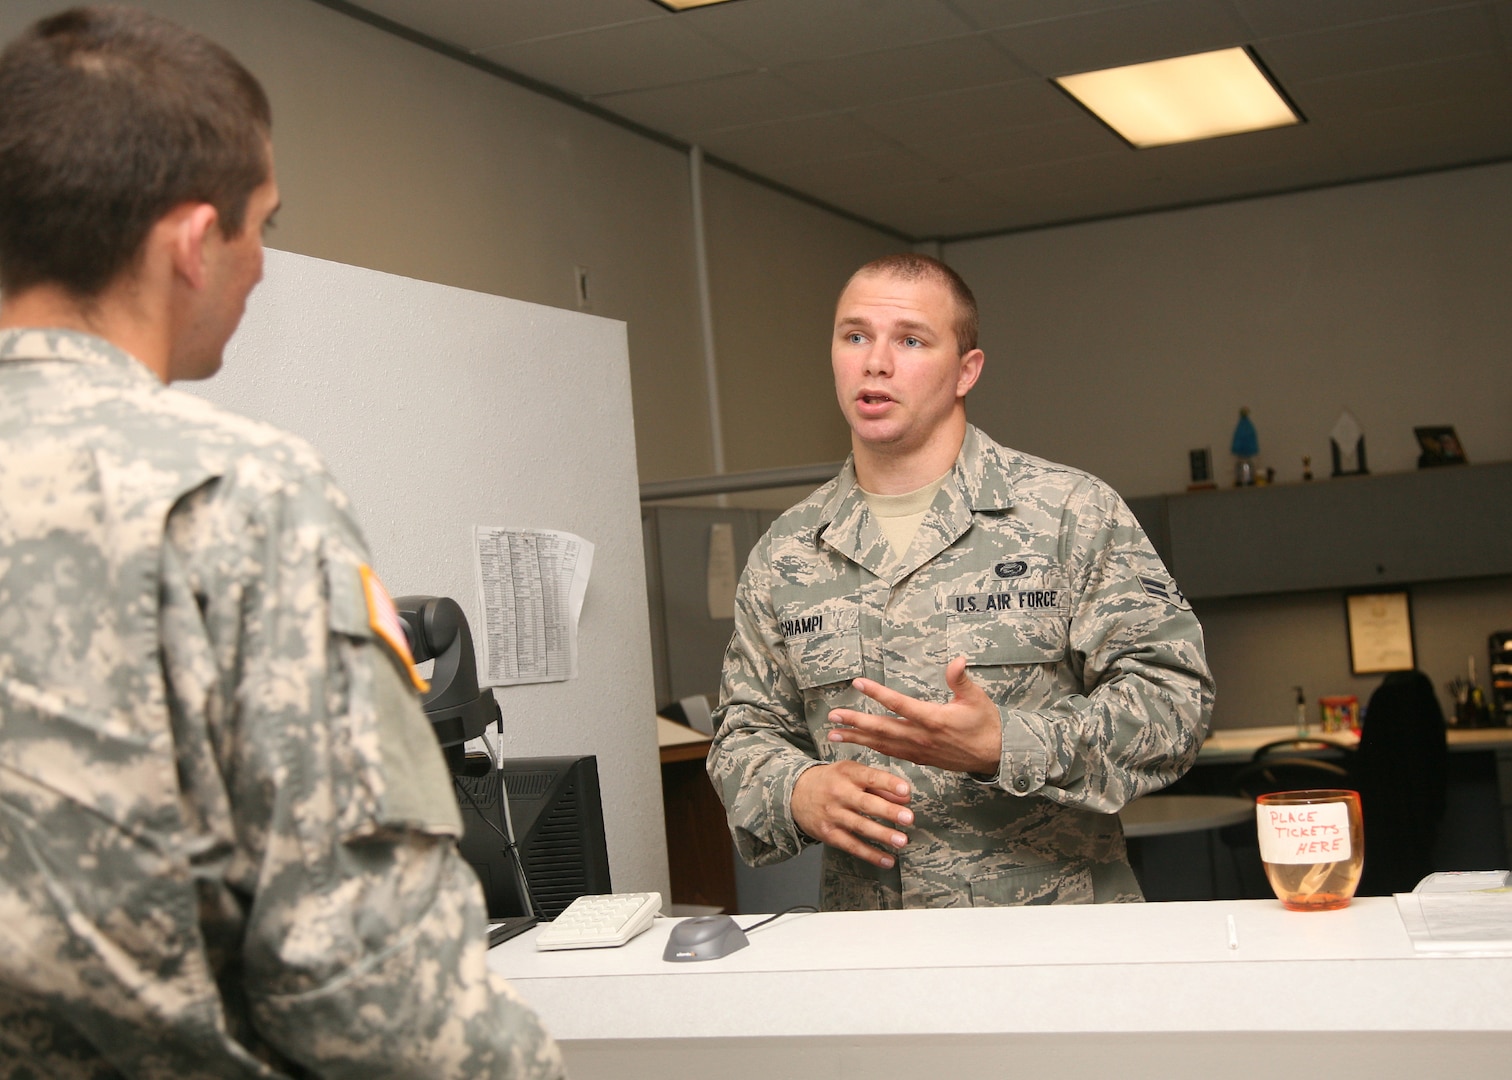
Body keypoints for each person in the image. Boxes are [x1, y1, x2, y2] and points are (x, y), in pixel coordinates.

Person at [0, 8, 562, 1077]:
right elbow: (365, 982)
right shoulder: (239, 495)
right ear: (190, 245)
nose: (262, 264)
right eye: (261, 225)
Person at [708, 253, 1214, 909]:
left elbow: (1174, 701)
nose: (876, 363)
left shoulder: (1068, 515)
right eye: (854, 335)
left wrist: (1008, 743)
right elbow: (743, 735)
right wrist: (798, 791)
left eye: (910, 340)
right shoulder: (788, 552)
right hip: (874, 955)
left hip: (1054, 948)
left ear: (964, 371)